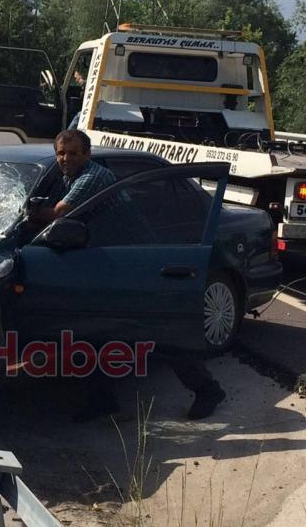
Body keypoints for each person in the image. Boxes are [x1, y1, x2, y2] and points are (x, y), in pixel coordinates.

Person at [29, 130, 226, 421]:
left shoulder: (92, 177)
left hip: (138, 263)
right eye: (61, 153)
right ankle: (102, 401)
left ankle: (208, 390)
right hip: (108, 262)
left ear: (87, 154)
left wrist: (30, 212)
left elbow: (60, 214)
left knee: (160, 334)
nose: (65, 159)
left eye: (72, 153)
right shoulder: (66, 178)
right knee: (94, 333)